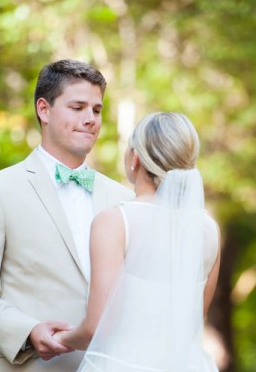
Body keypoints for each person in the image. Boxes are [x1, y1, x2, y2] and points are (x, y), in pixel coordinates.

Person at [0, 59, 134, 372]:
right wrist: (28, 331)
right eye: (77, 107)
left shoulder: (124, 200)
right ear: (43, 110)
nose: (90, 119)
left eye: (96, 110)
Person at [54, 112, 221, 371]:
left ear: (135, 159)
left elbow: (97, 326)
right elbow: (193, 321)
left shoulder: (116, 222)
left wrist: (60, 338)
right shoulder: (208, 230)